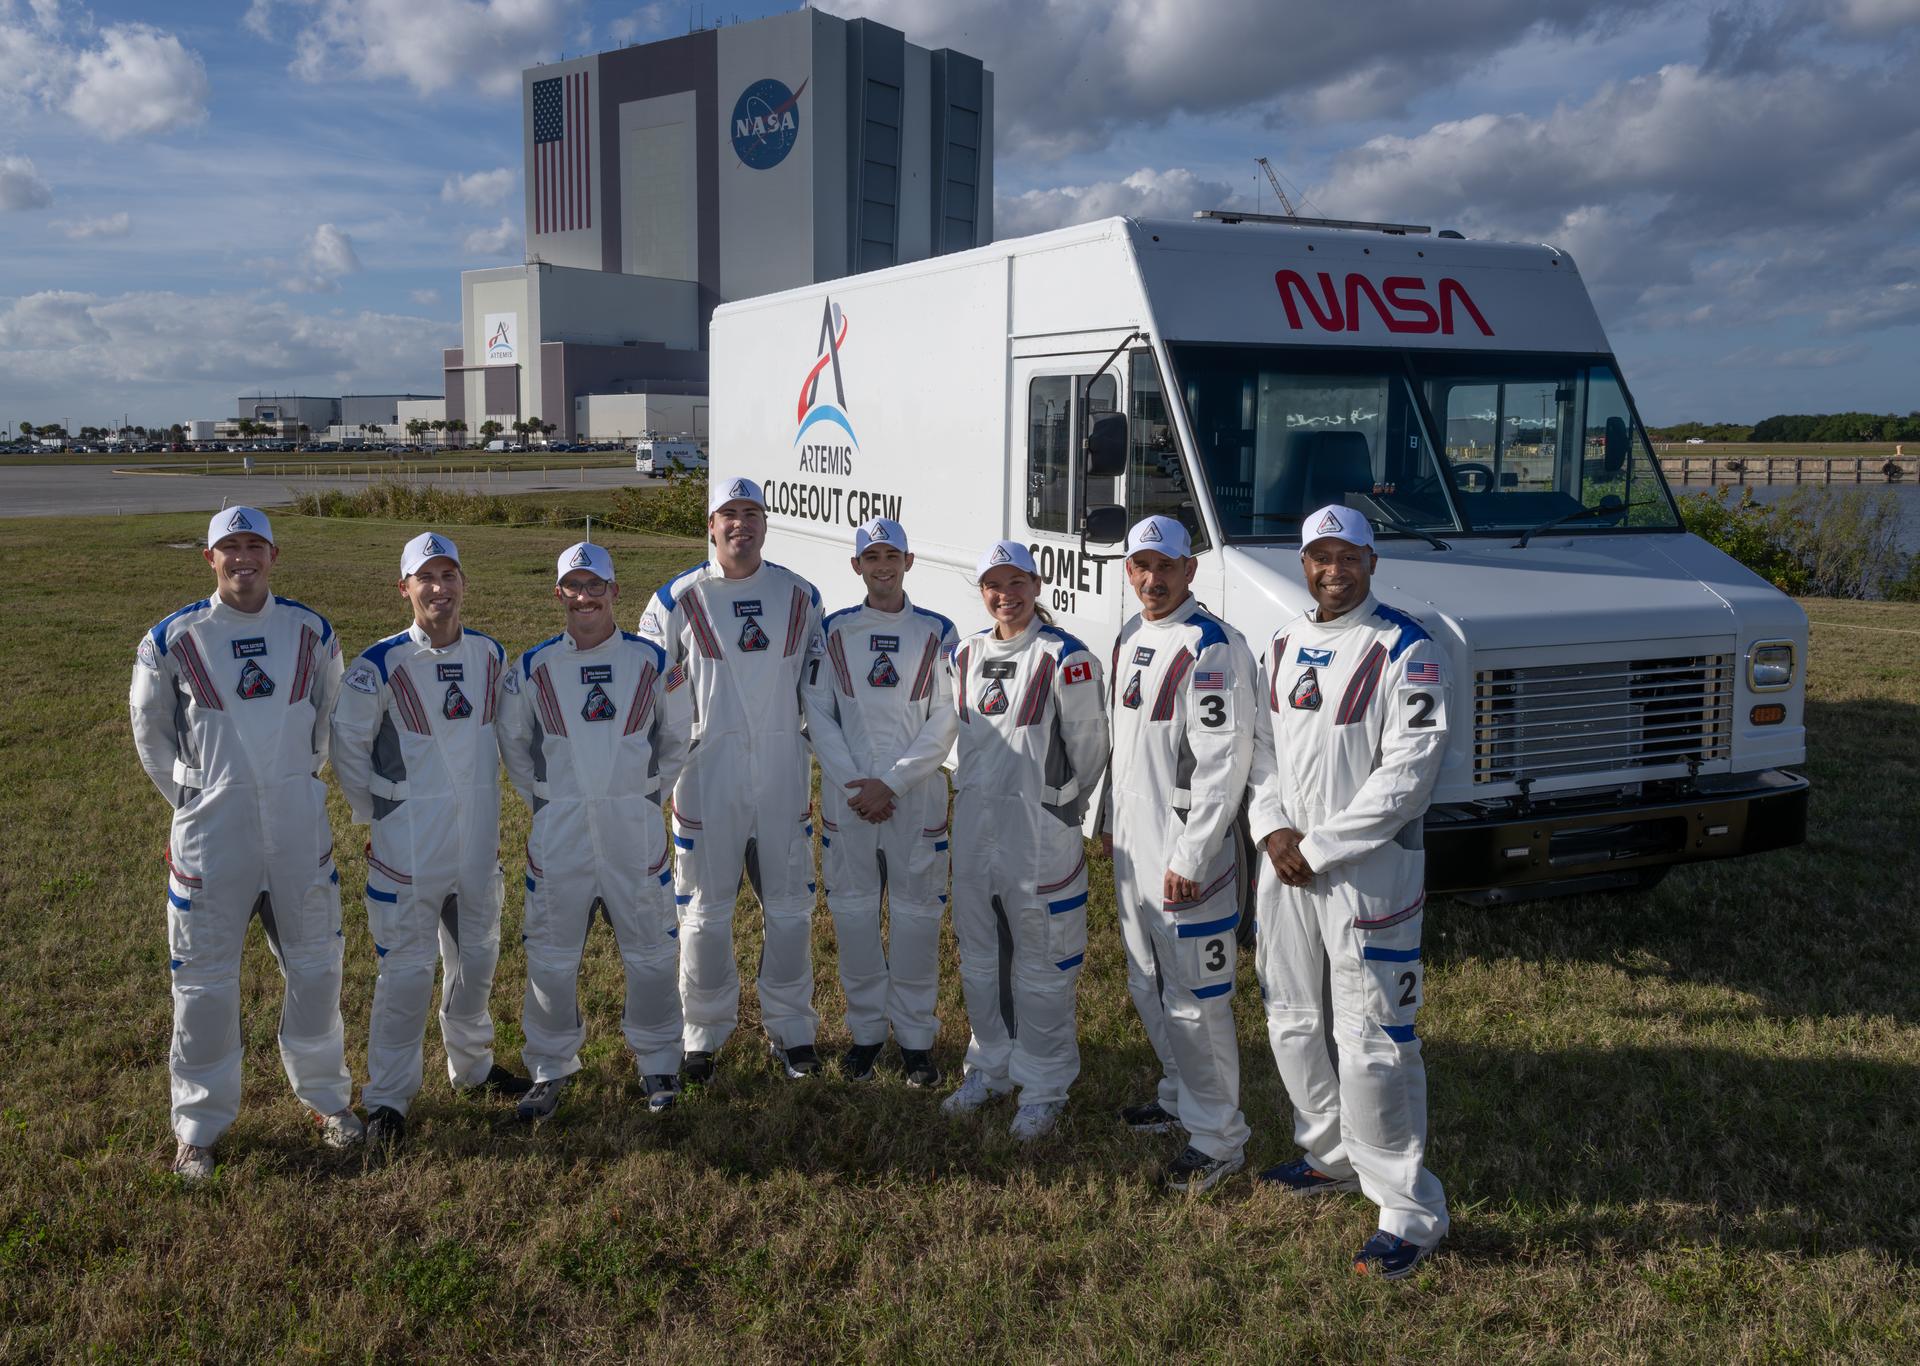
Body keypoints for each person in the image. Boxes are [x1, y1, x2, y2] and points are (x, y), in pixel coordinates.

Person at [1248, 503, 1451, 1279]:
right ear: (1304, 562)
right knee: (1292, 1017)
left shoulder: (1408, 648)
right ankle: (1327, 1154)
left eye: (1349, 556)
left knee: (1374, 1043)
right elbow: (1260, 750)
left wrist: (1321, 845)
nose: (1335, 570)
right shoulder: (1284, 642)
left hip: (1367, 874)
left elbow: (1409, 775)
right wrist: (1273, 831)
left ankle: (1409, 1211)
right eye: (1320, 556)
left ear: (1372, 559)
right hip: (1286, 866)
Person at [129, 506, 361, 1182]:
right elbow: (151, 735)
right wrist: (193, 800)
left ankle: (327, 1102)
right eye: (230, 548)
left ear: (274, 555)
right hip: (210, 837)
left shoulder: (310, 630)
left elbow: (330, 717)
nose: (243, 559)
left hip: (297, 830)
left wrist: (297, 780)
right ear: (210, 559)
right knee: (202, 986)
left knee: (317, 972)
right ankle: (198, 1128)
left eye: (254, 545)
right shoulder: (171, 638)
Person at [329, 531, 528, 1148]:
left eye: (449, 576)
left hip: (475, 852)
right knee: (407, 975)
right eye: (426, 578)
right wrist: (382, 816)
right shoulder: (378, 665)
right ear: (405, 588)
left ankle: (471, 1069)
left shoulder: (491, 655)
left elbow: (512, 739)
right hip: (406, 851)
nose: (439, 588)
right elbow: (347, 750)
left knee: (476, 964)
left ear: (463, 583)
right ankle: (389, 1098)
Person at [496, 542, 693, 1119]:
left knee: (653, 954)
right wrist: (551, 800)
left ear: (615, 592)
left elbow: (677, 740)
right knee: (551, 958)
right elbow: (514, 746)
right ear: (558, 593)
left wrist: (641, 795)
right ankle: (549, 1067)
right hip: (560, 832)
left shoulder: (654, 662)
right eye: (574, 587)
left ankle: (659, 1062)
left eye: (595, 586)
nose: (585, 597)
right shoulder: (533, 668)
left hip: (634, 827)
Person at [638, 478, 825, 1082]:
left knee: (792, 911)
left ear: (765, 525)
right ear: (711, 525)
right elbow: (649, 693)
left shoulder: (801, 596)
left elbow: (820, 693)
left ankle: (792, 1030)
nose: (740, 523)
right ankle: (702, 1033)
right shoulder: (674, 600)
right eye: (728, 514)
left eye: (751, 513)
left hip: (781, 777)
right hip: (704, 779)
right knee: (704, 916)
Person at [1103, 515, 1258, 1192]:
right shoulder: (1132, 634)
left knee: (1197, 999)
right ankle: (1179, 1097)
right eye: (1140, 566)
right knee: (1146, 981)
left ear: (1190, 570)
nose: (1152, 579)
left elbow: (1224, 768)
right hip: (1134, 850)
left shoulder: (1213, 646)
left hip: (1189, 860)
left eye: (1165, 566)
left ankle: (1219, 1139)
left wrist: (1191, 860)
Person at [942, 540, 1109, 1140]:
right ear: (982, 591)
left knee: (1042, 966)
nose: (1005, 596)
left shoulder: (1067, 657)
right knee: (981, 961)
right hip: (975, 830)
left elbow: (1090, 752)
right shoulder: (963, 654)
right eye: (993, 585)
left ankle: (1043, 1084)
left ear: (1036, 586)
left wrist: (1058, 805)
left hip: (1040, 835)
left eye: (1017, 583)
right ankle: (989, 1064)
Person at [801, 517, 958, 1086]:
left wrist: (890, 783)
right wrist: (857, 786)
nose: (883, 567)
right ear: (857, 567)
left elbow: (946, 719)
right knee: (855, 916)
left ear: (909, 562)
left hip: (915, 798)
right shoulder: (835, 632)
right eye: (872, 558)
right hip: (850, 801)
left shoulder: (940, 631)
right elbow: (818, 714)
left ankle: (917, 1040)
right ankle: (866, 1033)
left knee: (918, 919)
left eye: (892, 556)